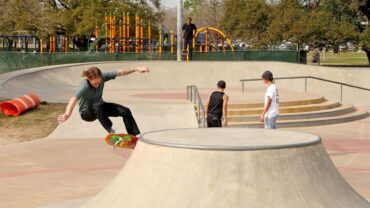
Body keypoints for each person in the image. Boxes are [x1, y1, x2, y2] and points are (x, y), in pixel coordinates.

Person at [57, 66, 150, 135]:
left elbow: (120, 72)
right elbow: (73, 99)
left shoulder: (103, 76)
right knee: (97, 106)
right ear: (89, 79)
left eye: (99, 82)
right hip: (87, 113)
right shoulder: (84, 86)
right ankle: (111, 130)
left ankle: (133, 136)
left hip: (100, 108)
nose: (97, 85)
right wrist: (67, 114)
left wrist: (136, 69)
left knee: (125, 111)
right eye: (95, 83)